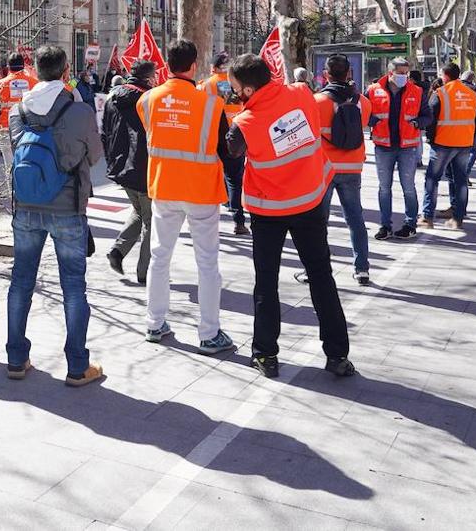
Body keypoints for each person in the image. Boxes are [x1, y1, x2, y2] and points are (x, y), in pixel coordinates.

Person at [227, 54, 354, 379]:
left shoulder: (245, 123)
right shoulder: (301, 93)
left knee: (266, 283)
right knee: (321, 277)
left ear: (249, 88)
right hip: (311, 202)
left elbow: (233, 150)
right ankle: (338, 355)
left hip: (269, 211)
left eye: (236, 88)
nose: (234, 93)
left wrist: (236, 112)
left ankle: (266, 354)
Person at [5, 45, 104, 387]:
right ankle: (77, 365)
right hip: (67, 208)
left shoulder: (19, 109)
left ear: (35, 71)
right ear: (65, 73)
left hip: (27, 206)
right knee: (74, 287)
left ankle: (16, 358)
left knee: (21, 282)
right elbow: (94, 157)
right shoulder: (79, 111)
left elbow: (17, 148)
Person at [140, 41, 235, 354]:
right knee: (207, 263)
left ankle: (155, 323)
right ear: (194, 66)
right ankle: (209, 334)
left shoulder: (148, 100)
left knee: (159, 257)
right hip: (201, 191)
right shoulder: (211, 104)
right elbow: (227, 150)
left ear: (166, 65)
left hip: (163, 187)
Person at [313, 54, 373, 285]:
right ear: (349, 73)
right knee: (355, 219)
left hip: (325, 168)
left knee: (320, 222)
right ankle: (362, 269)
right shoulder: (362, 102)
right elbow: (364, 126)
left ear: (326, 75)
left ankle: (318, 270)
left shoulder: (316, 101)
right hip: (353, 167)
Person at [102, 60, 156, 285]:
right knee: (151, 220)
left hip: (120, 167)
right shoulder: (149, 100)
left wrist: (111, 162)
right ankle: (145, 272)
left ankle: (118, 251)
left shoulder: (112, 97)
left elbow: (104, 131)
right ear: (148, 79)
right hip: (144, 167)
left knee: (139, 210)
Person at [367, 57, 428, 240]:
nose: (404, 77)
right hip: (383, 146)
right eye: (400, 73)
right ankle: (385, 225)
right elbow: (363, 112)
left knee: (408, 187)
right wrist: (373, 122)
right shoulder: (372, 90)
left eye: (406, 73)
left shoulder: (416, 91)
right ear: (390, 72)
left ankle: (410, 224)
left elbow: (428, 116)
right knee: (384, 188)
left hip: (407, 147)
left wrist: (418, 123)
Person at [420, 62, 476, 232]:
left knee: (432, 179)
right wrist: (471, 133)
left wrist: (430, 138)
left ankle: (427, 217)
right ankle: (458, 218)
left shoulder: (440, 93)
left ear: (445, 75)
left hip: (443, 143)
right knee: (460, 180)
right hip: (464, 143)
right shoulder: (472, 94)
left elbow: (431, 118)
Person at [200, 52, 248, 234]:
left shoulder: (205, 85)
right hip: (236, 135)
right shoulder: (239, 84)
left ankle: (206, 220)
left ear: (213, 68)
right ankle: (239, 221)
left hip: (212, 136)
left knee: (208, 177)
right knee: (235, 180)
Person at [0, 52, 36, 130]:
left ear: (8, 67)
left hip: (6, 126)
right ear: (23, 66)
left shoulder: (0, 84)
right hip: (27, 127)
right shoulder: (35, 83)